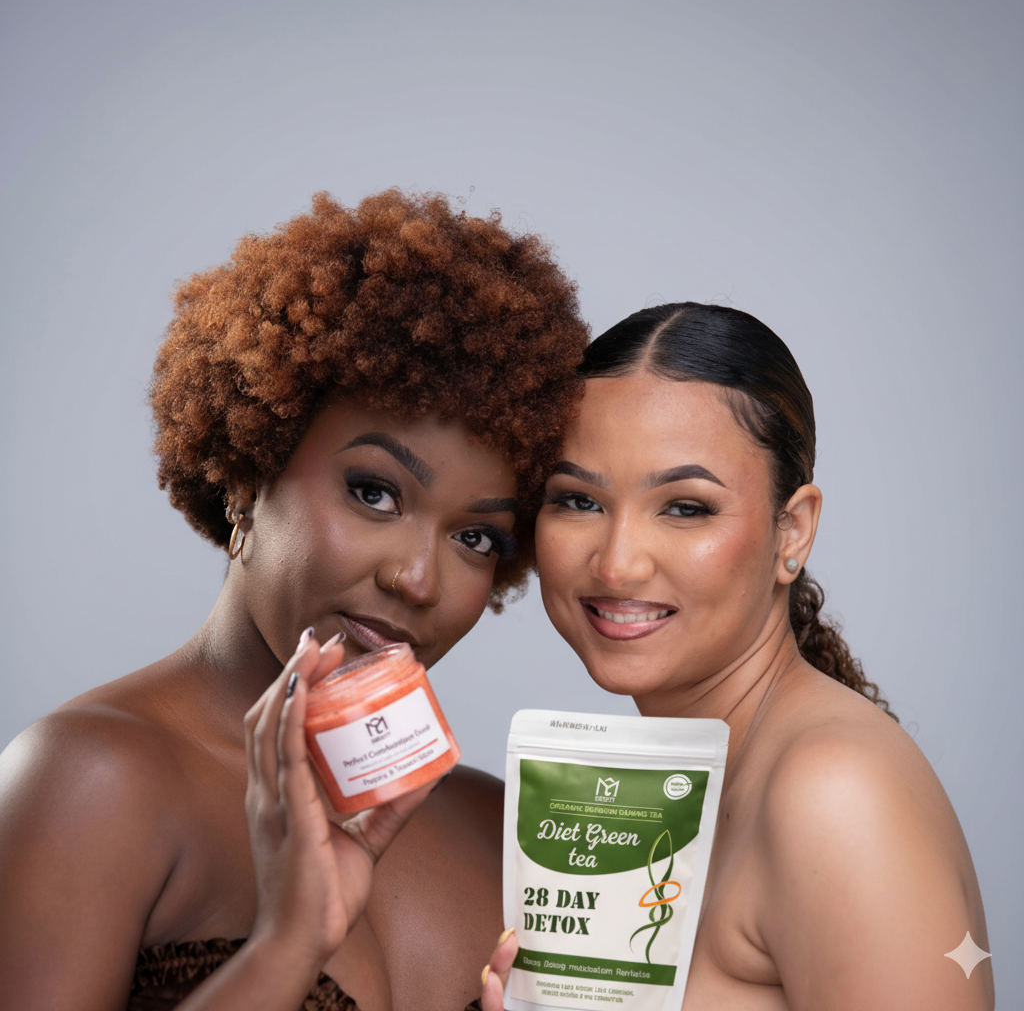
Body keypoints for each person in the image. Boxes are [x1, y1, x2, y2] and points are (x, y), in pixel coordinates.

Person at [0, 189, 589, 1011]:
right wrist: (285, 947)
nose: (417, 579)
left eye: (476, 537)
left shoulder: (506, 831)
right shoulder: (93, 779)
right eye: (375, 493)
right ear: (250, 472)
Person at [481, 302, 994, 1010]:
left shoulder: (834, 793)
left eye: (685, 507)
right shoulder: (665, 789)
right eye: (578, 501)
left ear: (793, 530)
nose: (618, 564)